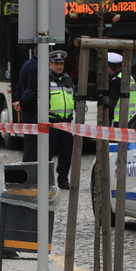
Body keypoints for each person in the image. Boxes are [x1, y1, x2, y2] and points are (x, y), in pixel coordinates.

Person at [47, 50, 76, 189]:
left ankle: (63, 179)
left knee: (66, 154)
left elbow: (74, 98)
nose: (59, 67)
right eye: (56, 64)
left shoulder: (67, 79)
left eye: (61, 64)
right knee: (48, 153)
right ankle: (46, 180)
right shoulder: (46, 79)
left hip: (66, 124)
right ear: (50, 64)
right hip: (51, 123)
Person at [12, 54, 39, 162]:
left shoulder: (26, 64)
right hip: (33, 111)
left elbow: (19, 86)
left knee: (30, 143)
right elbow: (31, 90)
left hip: (27, 111)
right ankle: (31, 173)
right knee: (33, 146)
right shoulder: (37, 67)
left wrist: (19, 102)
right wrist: (22, 103)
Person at [106, 52, 136, 125]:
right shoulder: (128, 77)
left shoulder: (116, 80)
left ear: (109, 67)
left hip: (116, 120)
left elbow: (111, 103)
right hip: (128, 118)